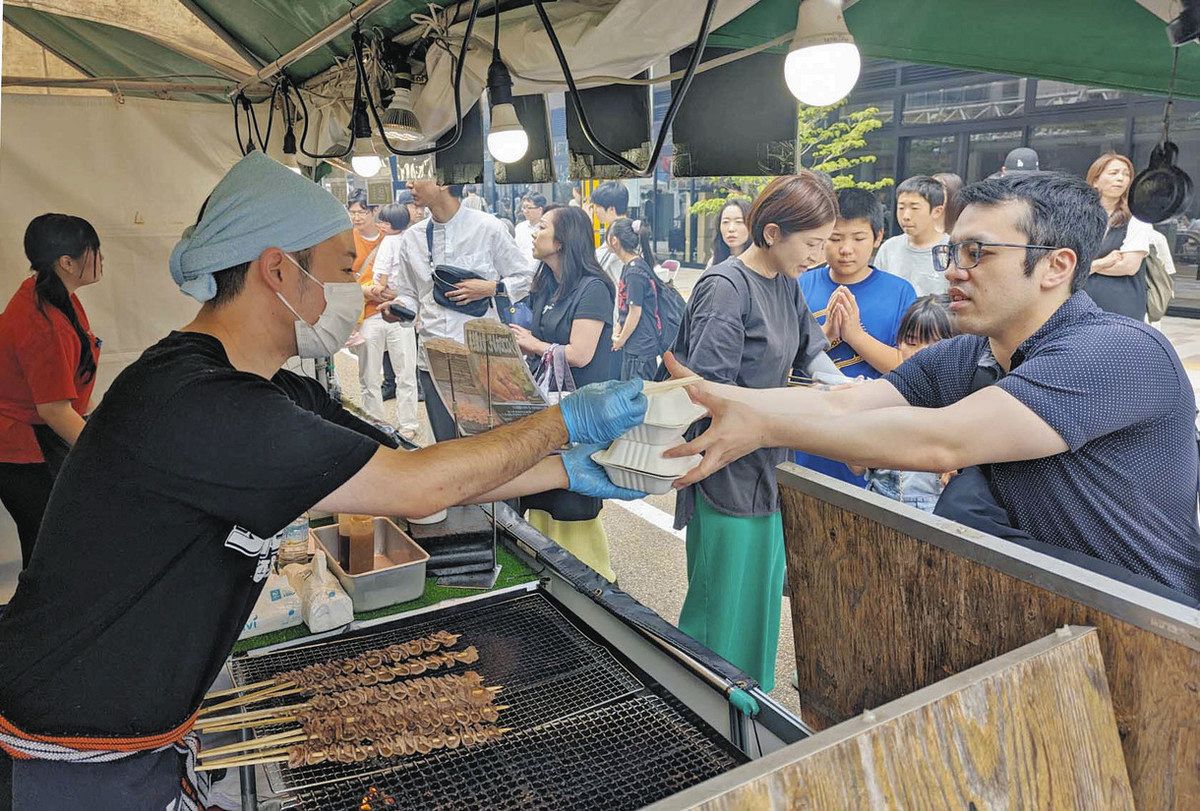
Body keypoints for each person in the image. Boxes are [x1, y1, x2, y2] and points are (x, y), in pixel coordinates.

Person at [0, 153, 647, 809]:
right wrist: (566, 422)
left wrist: (564, 470)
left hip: (131, 725)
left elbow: (411, 474)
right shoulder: (198, 401)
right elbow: (420, 490)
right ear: (278, 269)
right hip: (61, 742)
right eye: (344, 268)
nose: (356, 286)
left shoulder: (273, 391)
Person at [666, 171, 1200, 607]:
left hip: (1147, 623)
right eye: (953, 253)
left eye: (978, 254)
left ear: (1056, 266)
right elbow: (848, 399)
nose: (954, 273)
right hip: (1046, 602)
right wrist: (717, 399)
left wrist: (761, 423)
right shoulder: (971, 352)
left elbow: (942, 441)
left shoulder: (1116, 353)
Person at [671, 173, 837, 691]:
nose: (819, 256)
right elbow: (709, 391)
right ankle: (704, 704)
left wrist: (845, 390)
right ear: (771, 233)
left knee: (762, 593)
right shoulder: (725, 289)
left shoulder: (786, 284)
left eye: (824, 243)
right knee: (720, 601)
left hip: (770, 462)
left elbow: (812, 353)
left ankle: (750, 699)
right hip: (725, 468)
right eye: (812, 244)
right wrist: (797, 403)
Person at [509, 205, 619, 580]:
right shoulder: (546, 283)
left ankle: (593, 579)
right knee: (541, 488)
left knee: (573, 495)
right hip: (547, 408)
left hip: (581, 413)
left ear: (562, 240)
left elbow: (581, 352)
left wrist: (535, 345)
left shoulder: (593, 287)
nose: (534, 233)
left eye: (542, 227)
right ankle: (545, 571)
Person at [383, 179, 535, 441]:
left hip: (480, 356)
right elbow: (410, 295)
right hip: (433, 358)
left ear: (441, 181)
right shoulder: (413, 237)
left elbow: (527, 278)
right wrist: (399, 309)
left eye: (418, 177)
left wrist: (491, 288)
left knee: (487, 440)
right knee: (445, 442)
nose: (409, 184)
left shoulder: (487, 227)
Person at [0, 215, 103, 569]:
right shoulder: (41, 320)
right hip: (22, 446)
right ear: (67, 263)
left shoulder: (58, 297)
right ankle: (36, 621)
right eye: (94, 251)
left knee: (55, 542)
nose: (101, 259)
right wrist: (104, 451)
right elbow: (53, 410)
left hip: (41, 437)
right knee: (49, 548)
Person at [795, 188, 917, 486]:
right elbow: (784, 358)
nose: (846, 249)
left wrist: (855, 335)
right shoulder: (799, 284)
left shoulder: (900, 292)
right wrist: (824, 337)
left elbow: (908, 368)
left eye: (858, 238)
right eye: (835, 239)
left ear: (878, 237)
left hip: (867, 436)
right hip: (805, 431)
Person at [855, 295, 959, 511]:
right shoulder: (880, 394)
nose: (921, 352)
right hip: (876, 506)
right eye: (911, 342)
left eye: (935, 344)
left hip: (936, 514)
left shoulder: (964, 404)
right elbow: (856, 466)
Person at [352, 202, 420, 439]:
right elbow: (345, 277)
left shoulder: (407, 240)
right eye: (353, 212)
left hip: (400, 311)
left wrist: (394, 293)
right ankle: (375, 422)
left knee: (405, 371)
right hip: (371, 314)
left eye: (361, 212)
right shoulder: (349, 240)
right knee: (369, 374)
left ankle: (409, 423)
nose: (357, 217)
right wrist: (369, 290)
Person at [1083, 152, 1152, 321]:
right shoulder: (1079, 216)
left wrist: (1085, 268)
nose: (1121, 178)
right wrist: (1103, 262)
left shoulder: (1137, 217)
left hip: (1121, 305)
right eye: (1114, 173)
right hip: (1081, 303)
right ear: (1095, 180)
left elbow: (1129, 266)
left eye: (1126, 174)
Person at [873, 176, 950, 296]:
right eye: (901, 208)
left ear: (937, 211)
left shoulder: (951, 250)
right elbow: (878, 291)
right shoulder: (889, 248)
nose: (906, 216)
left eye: (914, 208)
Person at [609, 218, 663, 381]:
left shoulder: (634, 272)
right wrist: (618, 329)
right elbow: (626, 307)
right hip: (638, 344)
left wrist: (621, 340)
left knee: (638, 397)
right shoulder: (634, 266)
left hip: (639, 347)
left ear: (614, 240)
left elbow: (635, 311)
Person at [588, 180, 630, 287]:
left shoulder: (616, 234)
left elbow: (593, 264)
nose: (595, 211)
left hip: (619, 298)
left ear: (611, 209)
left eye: (597, 206)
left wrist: (586, 224)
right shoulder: (630, 227)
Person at [705, 198, 752, 269]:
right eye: (725, 222)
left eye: (739, 222)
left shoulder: (760, 264)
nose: (731, 229)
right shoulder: (713, 262)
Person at [514, 193, 546, 267]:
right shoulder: (520, 227)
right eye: (524, 208)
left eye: (529, 208)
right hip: (522, 271)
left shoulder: (546, 228)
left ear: (540, 209)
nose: (525, 211)